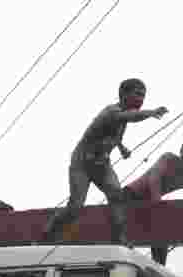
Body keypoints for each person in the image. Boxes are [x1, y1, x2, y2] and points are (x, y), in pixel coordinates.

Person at [42, 78, 169, 247]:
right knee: (76, 206)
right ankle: (51, 229)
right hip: (82, 163)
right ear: (123, 95)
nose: (141, 99)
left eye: (144, 96)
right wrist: (151, 113)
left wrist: (121, 148)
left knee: (117, 196)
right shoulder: (111, 112)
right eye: (137, 94)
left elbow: (113, 136)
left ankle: (120, 238)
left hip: (102, 164)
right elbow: (131, 117)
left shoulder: (122, 119)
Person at [122, 136, 183, 265]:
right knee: (128, 236)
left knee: (162, 234)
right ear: (181, 150)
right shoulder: (168, 158)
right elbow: (154, 178)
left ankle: (159, 267)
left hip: (150, 205)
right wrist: (158, 204)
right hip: (130, 196)